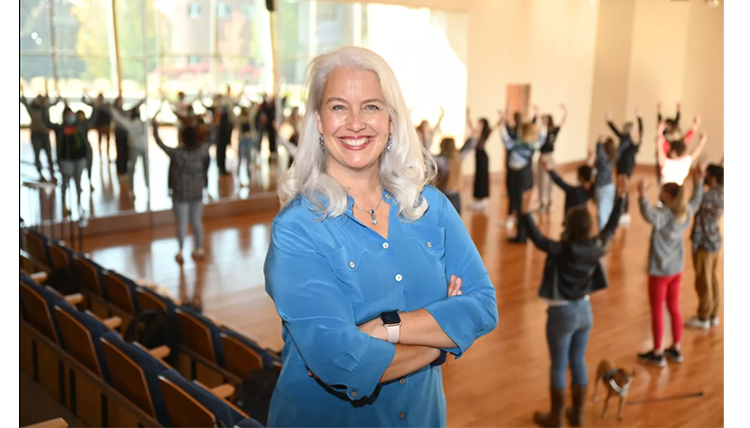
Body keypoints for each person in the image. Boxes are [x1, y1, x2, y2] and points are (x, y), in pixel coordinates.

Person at [263, 46, 498, 427]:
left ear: (391, 120)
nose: (355, 122)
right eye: (339, 107)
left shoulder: (430, 207)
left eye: (371, 106)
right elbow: (342, 362)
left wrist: (386, 329)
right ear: (319, 122)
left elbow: (484, 307)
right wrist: (442, 339)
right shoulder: (296, 229)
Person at [521, 175, 626, 428]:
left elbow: (538, 239)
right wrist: (620, 199)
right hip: (584, 312)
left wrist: (525, 213)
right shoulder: (597, 246)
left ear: (567, 225)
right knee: (578, 361)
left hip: (561, 314)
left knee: (559, 365)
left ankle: (556, 418)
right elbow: (611, 227)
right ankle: (576, 416)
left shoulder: (562, 249)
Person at [636, 165, 705, 367]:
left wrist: (641, 195)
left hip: (659, 271)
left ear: (670, 196)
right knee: (674, 307)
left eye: (662, 192)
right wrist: (699, 182)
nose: (660, 194)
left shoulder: (665, 215)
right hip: (677, 270)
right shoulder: (686, 212)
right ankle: (675, 348)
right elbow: (695, 200)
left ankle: (657, 353)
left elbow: (650, 215)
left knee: (658, 309)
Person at [152, 109, 213, 263]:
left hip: (180, 194)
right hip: (197, 194)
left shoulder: (177, 153)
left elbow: (160, 144)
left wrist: (155, 127)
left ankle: (180, 251)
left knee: (181, 223)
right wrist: (211, 122)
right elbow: (211, 139)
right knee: (197, 222)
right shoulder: (201, 152)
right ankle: (199, 248)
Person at [685, 163, 724, 330]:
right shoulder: (722, 192)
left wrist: (697, 181)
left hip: (705, 242)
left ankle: (704, 316)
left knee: (703, 280)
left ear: (713, 179)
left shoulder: (710, 196)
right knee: (714, 278)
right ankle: (713, 313)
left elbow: (695, 202)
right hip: (715, 241)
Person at [42, 103, 98, 215]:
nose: (70, 117)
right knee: (65, 183)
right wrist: (46, 106)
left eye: (71, 114)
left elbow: (92, 119)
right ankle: (64, 204)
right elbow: (46, 121)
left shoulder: (80, 126)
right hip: (66, 161)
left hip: (80, 159)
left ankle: (79, 203)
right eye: (68, 115)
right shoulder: (60, 129)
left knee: (78, 182)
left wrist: (95, 105)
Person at [501, 120, 547, 243]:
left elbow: (505, 139)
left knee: (520, 206)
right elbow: (543, 136)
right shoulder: (533, 144)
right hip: (526, 177)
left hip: (519, 177)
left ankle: (521, 236)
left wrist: (502, 124)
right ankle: (524, 233)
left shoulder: (521, 143)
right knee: (524, 208)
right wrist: (542, 124)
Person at [606, 109, 643, 225]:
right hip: (621, 165)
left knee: (623, 187)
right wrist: (610, 121)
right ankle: (618, 208)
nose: (636, 131)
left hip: (628, 167)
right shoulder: (625, 138)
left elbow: (642, 131)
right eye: (634, 130)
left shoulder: (634, 142)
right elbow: (616, 130)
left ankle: (625, 211)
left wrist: (639, 118)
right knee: (620, 186)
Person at [108, 102, 149, 199]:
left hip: (140, 148)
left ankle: (136, 189)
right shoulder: (137, 124)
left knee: (134, 169)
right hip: (137, 148)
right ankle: (137, 188)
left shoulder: (136, 124)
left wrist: (111, 108)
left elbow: (118, 118)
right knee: (135, 169)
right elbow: (119, 118)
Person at [20, 85, 59, 182]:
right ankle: (41, 174)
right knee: (37, 156)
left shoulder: (45, 108)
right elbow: (23, 101)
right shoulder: (32, 109)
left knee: (49, 156)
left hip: (44, 134)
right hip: (36, 134)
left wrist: (54, 93)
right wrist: (22, 91)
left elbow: (53, 102)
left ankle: (52, 174)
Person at [465, 108, 502, 211]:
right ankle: (477, 200)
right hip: (478, 157)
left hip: (483, 157)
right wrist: (468, 114)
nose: (478, 125)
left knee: (482, 177)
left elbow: (497, 125)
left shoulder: (486, 132)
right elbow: (470, 124)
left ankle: (483, 200)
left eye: (480, 123)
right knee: (478, 177)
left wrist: (502, 116)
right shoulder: (476, 132)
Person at [536, 104, 567, 213]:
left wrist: (565, 110)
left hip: (549, 156)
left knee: (549, 180)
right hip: (542, 156)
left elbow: (563, 121)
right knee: (541, 181)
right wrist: (537, 111)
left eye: (544, 119)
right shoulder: (541, 133)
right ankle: (542, 203)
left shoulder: (553, 131)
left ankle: (548, 202)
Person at [434, 136, 476, 214]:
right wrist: (473, 135)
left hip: (444, 198)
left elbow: (427, 156)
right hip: (456, 198)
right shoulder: (458, 158)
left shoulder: (441, 161)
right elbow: (469, 147)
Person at [589, 135, 618, 231]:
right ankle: (607, 230)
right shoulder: (612, 158)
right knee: (607, 210)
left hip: (603, 187)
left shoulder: (604, 159)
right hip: (610, 186)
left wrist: (599, 143)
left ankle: (603, 232)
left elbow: (600, 156)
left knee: (602, 211)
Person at [82, 92, 112, 158]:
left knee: (107, 141)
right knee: (100, 141)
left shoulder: (105, 105)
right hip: (100, 126)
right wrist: (85, 94)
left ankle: (107, 154)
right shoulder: (96, 105)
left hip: (106, 125)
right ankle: (101, 154)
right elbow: (85, 101)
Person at [237, 103, 261, 185]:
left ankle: (248, 177)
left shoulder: (250, 118)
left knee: (249, 159)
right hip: (243, 140)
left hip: (249, 140)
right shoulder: (240, 119)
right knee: (241, 159)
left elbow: (255, 108)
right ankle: (239, 177)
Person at [75, 110, 95, 191]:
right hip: (79, 149)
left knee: (89, 167)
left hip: (86, 149)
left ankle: (89, 182)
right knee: (78, 169)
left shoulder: (85, 124)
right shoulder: (74, 125)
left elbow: (93, 117)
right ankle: (78, 185)